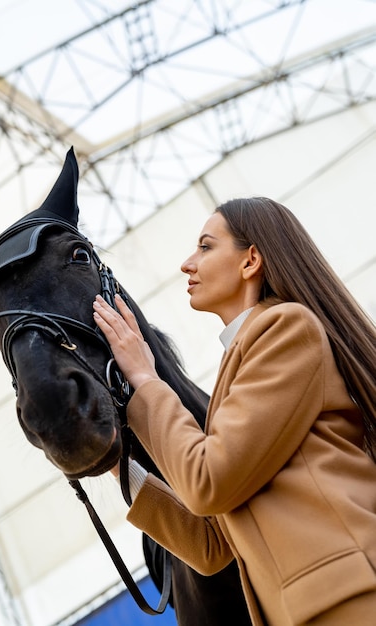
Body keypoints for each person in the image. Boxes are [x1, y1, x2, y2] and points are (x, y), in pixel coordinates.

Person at [92, 197, 376, 625]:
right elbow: (213, 546)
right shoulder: (241, 364)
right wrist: (116, 461)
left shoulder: (285, 329)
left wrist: (146, 380)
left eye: (205, 247)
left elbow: (208, 482)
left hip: (347, 601)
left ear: (251, 261)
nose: (188, 264)